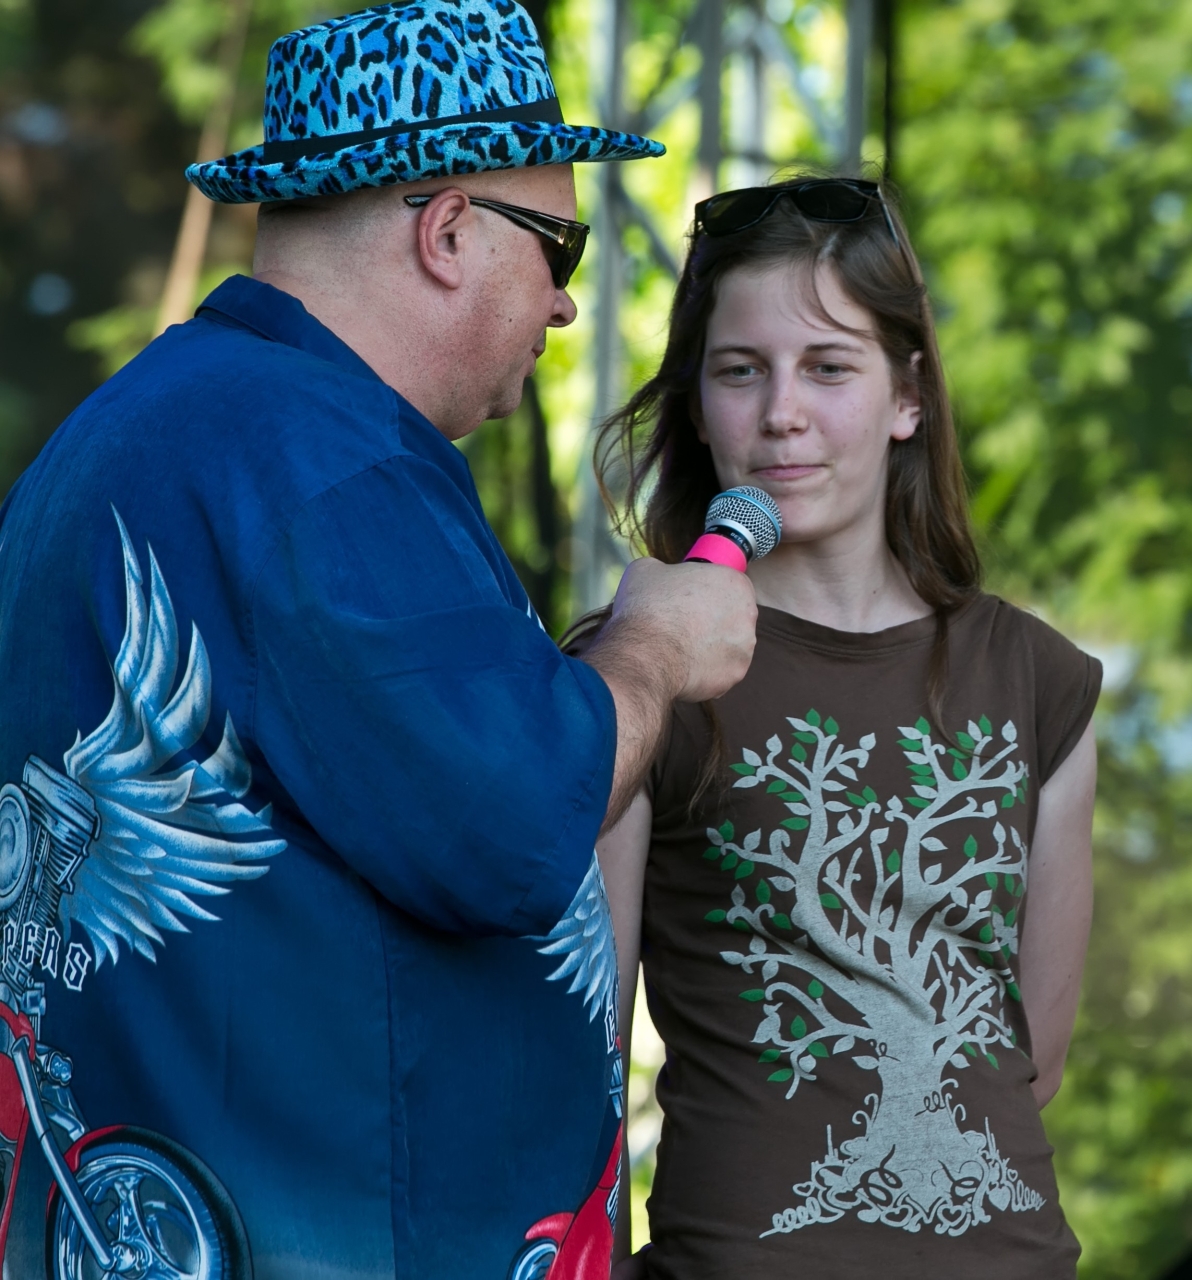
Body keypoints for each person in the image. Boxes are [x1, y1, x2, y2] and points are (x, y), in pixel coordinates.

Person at [0, 2, 756, 1277]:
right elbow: (515, 822)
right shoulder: (325, 464)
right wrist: (655, 646)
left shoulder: (123, 432)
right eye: (559, 245)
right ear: (448, 231)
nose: (566, 303)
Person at [582, 175, 1100, 1276]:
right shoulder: (639, 665)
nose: (783, 411)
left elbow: (1031, 1058)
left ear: (908, 395)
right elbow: (583, 1063)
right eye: (740, 370)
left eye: (828, 366)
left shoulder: (1036, 678)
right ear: (696, 405)